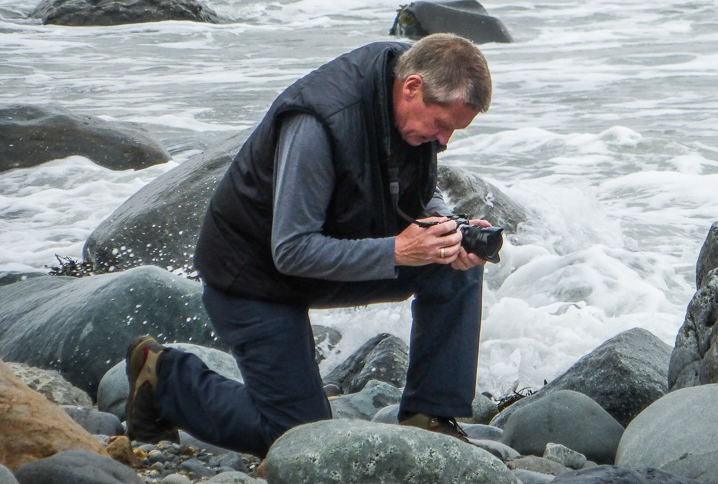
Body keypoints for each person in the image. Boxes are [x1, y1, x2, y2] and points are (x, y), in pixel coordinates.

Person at [124, 34, 493, 457]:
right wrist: (396, 251)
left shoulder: (410, 106)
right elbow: (292, 250)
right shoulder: (319, 123)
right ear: (412, 88)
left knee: (455, 258)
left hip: (330, 258)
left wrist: (447, 227)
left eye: (452, 131)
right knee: (296, 436)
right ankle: (164, 376)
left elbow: (417, 193)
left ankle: (429, 418)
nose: (444, 141)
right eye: (442, 125)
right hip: (254, 276)